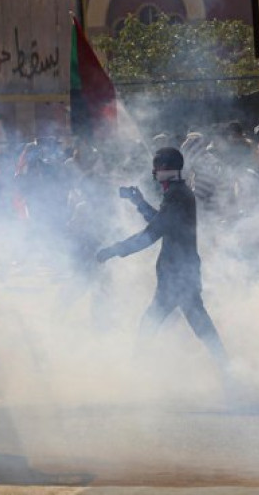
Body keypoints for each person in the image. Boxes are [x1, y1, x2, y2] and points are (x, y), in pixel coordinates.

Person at [96, 147, 228, 371]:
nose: (154, 171)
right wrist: (138, 202)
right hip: (180, 270)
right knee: (196, 323)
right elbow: (161, 222)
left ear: (166, 168)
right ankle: (227, 370)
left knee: (158, 322)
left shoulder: (177, 195)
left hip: (178, 272)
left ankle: (137, 371)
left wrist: (114, 250)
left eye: (157, 166)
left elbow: (152, 233)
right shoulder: (177, 193)